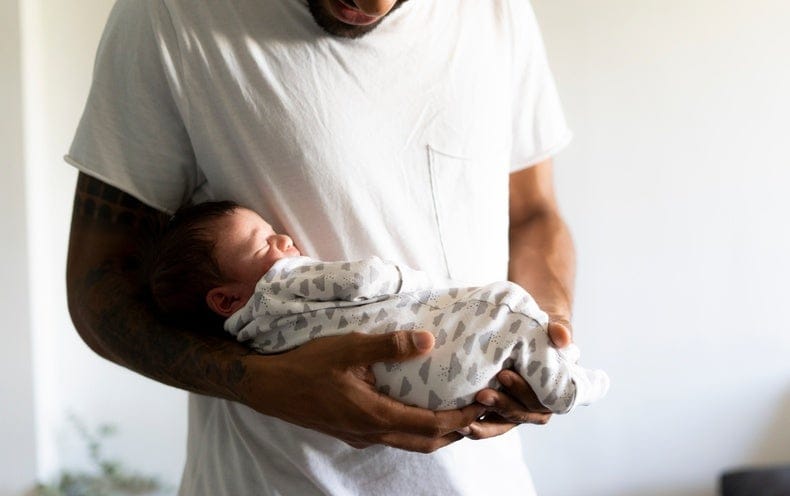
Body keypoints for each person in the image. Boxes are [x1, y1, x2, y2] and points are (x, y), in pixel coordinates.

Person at [65, 0, 579, 494]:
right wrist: (259, 383)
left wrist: (549, 329)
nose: (373, 6)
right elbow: (99, 286)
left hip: (486, 479)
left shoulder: (496, 10)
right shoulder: (169, 14)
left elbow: (532, 214)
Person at [149, 201, 609, 412]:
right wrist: (416, 282)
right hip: (444, 359)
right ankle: (563, 386)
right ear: (227, 298)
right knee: (508, 304)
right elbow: (362, 279)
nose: (283, 239)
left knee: (504, 342)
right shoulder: (278, 284)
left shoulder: (257, 340)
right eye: (263, 242)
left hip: (423, 395)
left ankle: (554, 369)